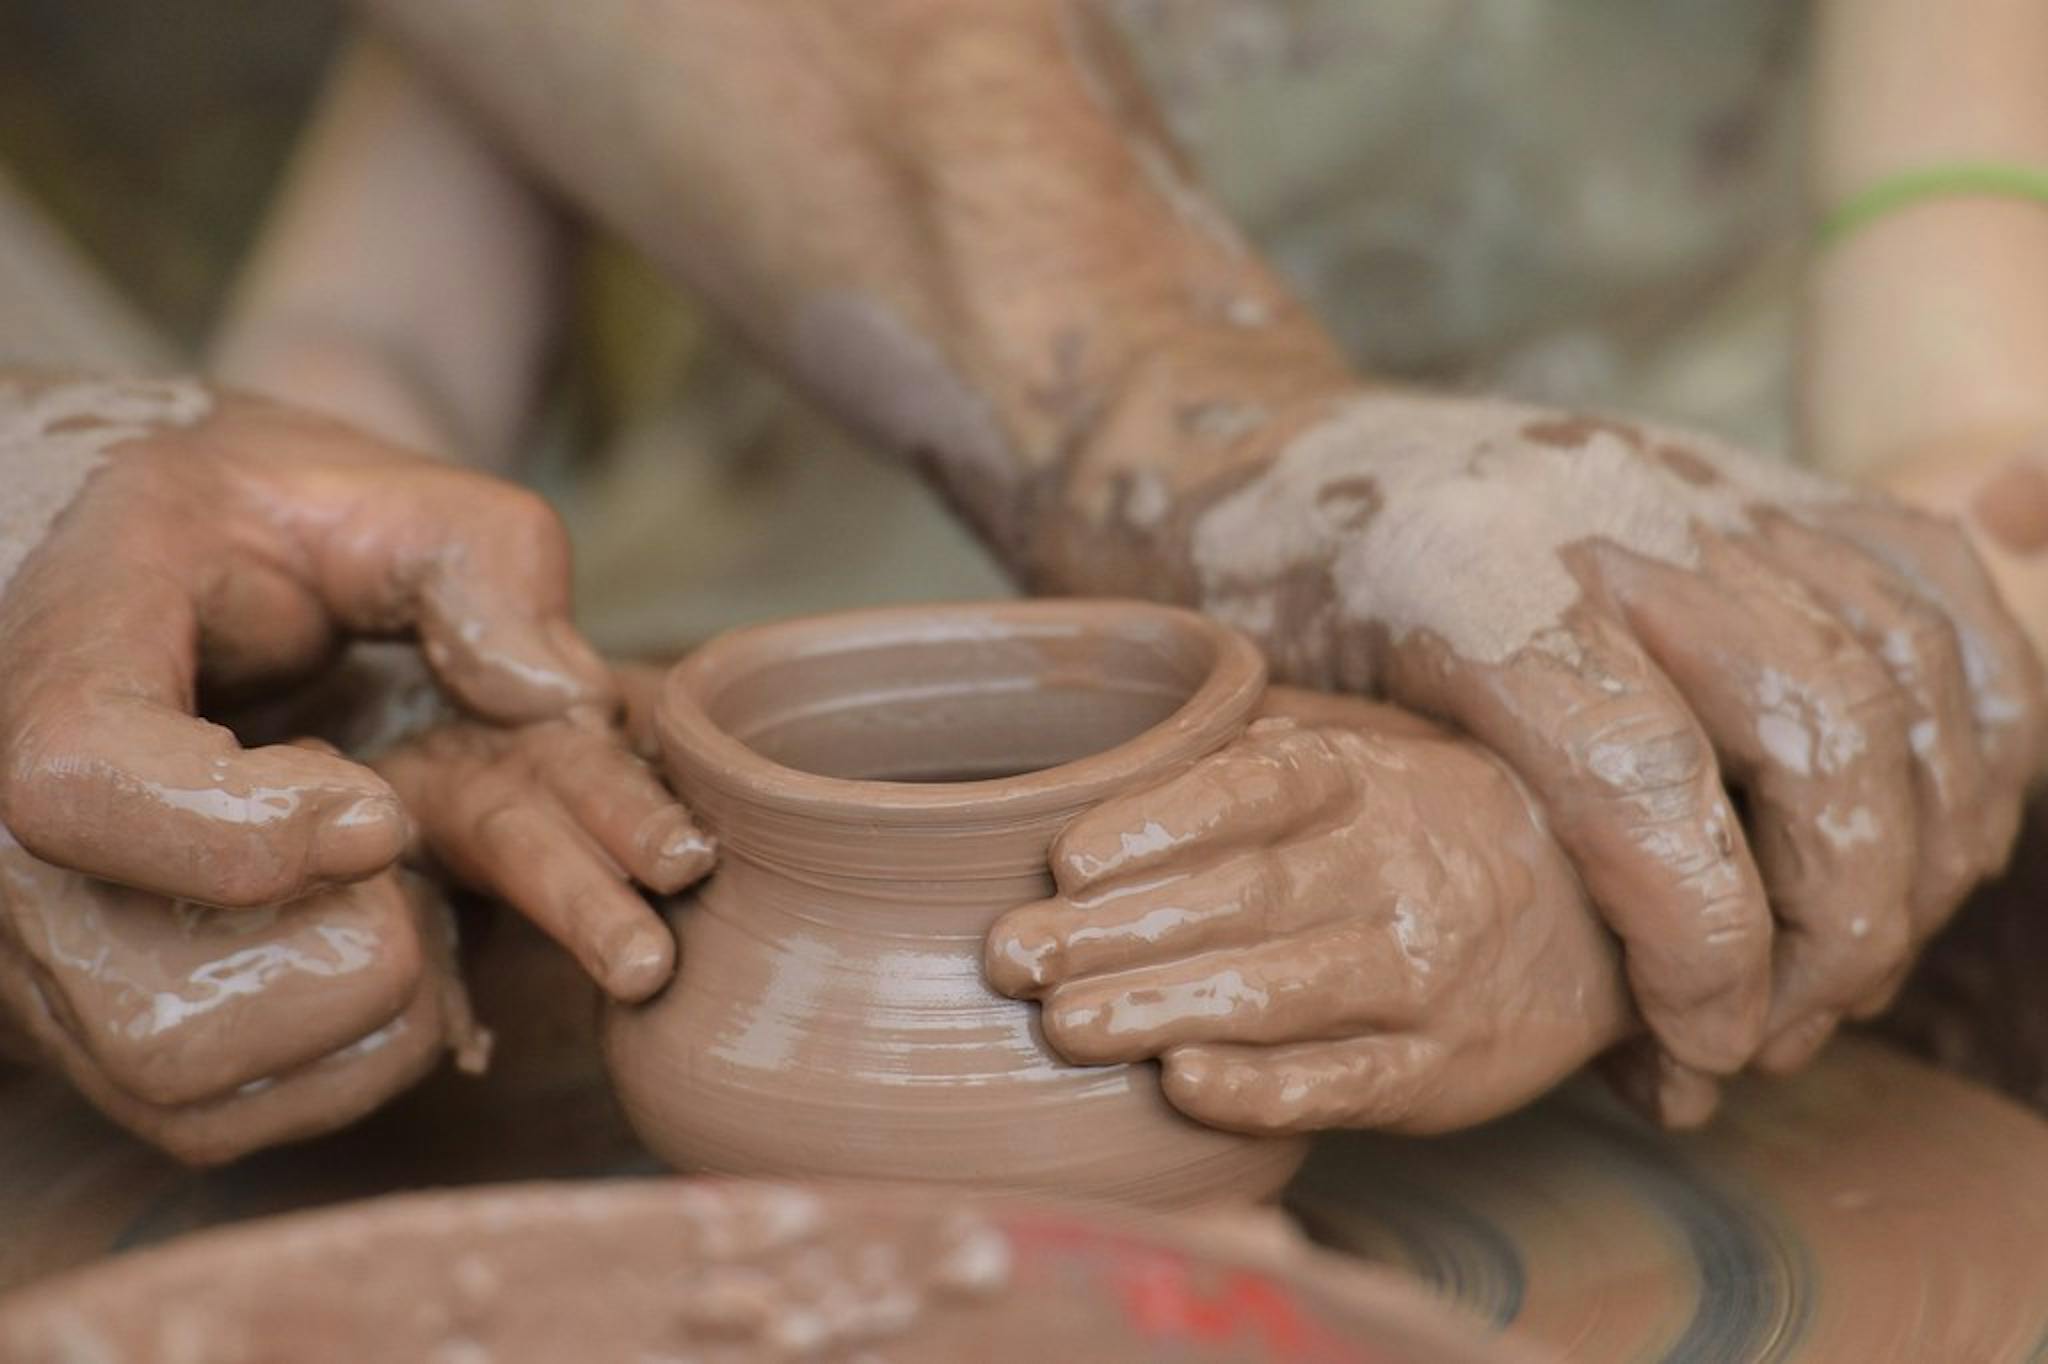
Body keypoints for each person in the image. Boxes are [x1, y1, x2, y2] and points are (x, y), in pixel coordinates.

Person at [0, 0, 2039, 1160]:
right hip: (735, 715)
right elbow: (362, 375)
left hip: (1587, 626)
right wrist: (321, 697)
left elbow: (1983, 512)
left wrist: (1628, 849)